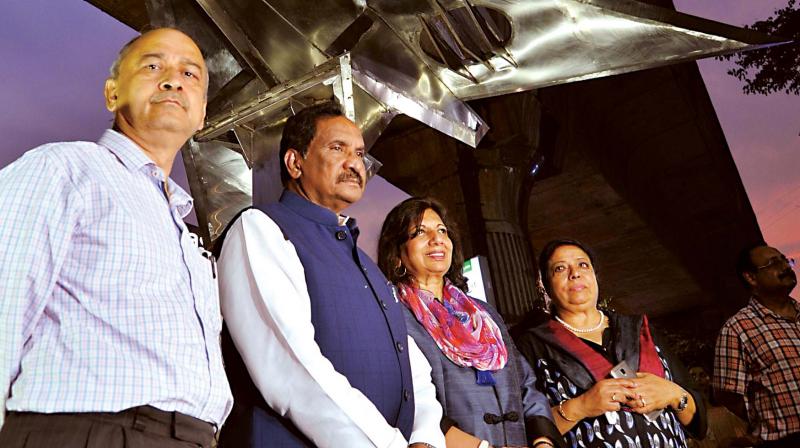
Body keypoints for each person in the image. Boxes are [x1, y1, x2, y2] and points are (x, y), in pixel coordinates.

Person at [0, 28, 232, 448]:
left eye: (190, 74)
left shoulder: (181, 226)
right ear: (111, 94)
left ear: (202, 115)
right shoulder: (63, 169)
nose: (173, 80)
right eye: (153, 66)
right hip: (88, 431)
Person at [216, 101, 445, 448]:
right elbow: (289, 366)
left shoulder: (365, 263)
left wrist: (425, 438)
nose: (354, 164)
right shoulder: (261, 228)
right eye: (337, 148)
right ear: (294, 163)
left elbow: (413, 366)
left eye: (360, 153)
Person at [377, 197, 564, 448]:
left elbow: (526, 383)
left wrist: (543, 442)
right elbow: (410, 403)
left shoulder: (484, 313)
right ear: (397, 254)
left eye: (442, 230)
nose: (437, 239)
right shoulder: (394, 317)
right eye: (420, 232)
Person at [513, 239, 706, 448]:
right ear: (546, 286)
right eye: (560, 268)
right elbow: (522, 429)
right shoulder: (531, 346)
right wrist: (581, 406)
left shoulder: (640, 330)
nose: (575, 273)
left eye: (583, 264)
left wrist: (673, 394)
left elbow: (699, 422)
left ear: (595, 276)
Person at [713, 243, 800, 447]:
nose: (785, 266)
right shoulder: (738, 328)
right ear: (751, 278)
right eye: (773, 263)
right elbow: (727, 393)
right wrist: (766, 419)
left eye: (784, 259)